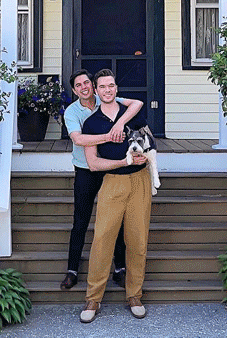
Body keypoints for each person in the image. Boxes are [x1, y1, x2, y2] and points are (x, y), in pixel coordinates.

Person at [78, 69, 152, 323]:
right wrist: (122, 161)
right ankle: (93, 298)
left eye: (111, 85)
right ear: (96, 92)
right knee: (102, 240)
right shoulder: (91, 124)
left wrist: (145, 153)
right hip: (112, 183)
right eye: (103, 87)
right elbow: (94, 164)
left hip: (140, 181)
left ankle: (134, 295)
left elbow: (149, 139)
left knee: (138, 240)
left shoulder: (131, 113)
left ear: (116, 89)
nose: (107, 90)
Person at [61, 69, 143, 291]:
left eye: (86, 83)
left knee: (114, 219)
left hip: (110, 168)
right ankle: (72, 270)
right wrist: (108, 136)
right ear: (75, 90)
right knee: (81, 219)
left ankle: (119, 269)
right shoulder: (72, 112)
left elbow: (136, 104)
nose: (84, 87)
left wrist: (119, 124)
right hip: (86, 169)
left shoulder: (105, 96)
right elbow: (78, 139)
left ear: (93, 85)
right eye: (79, 85)